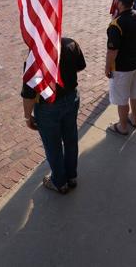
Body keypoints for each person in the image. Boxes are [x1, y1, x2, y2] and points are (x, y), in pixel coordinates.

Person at [21, 37, 86, 194]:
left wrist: (28, 117)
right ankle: (71, 176)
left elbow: (29, 93)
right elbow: (80, 66)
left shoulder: (35, 56)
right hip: (71, 98)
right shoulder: (70, 44)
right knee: (70, 139)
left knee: (53, 145)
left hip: (47, 107)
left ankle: (59, 182)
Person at [106, 0, 136, 135]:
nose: (115, 0)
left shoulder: (116, 24)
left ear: (121, 3)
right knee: (135, 93)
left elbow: (112, 51)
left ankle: (122, 127)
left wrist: (107, 67)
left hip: (122, 68)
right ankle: (133, 119)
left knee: (122, 99)